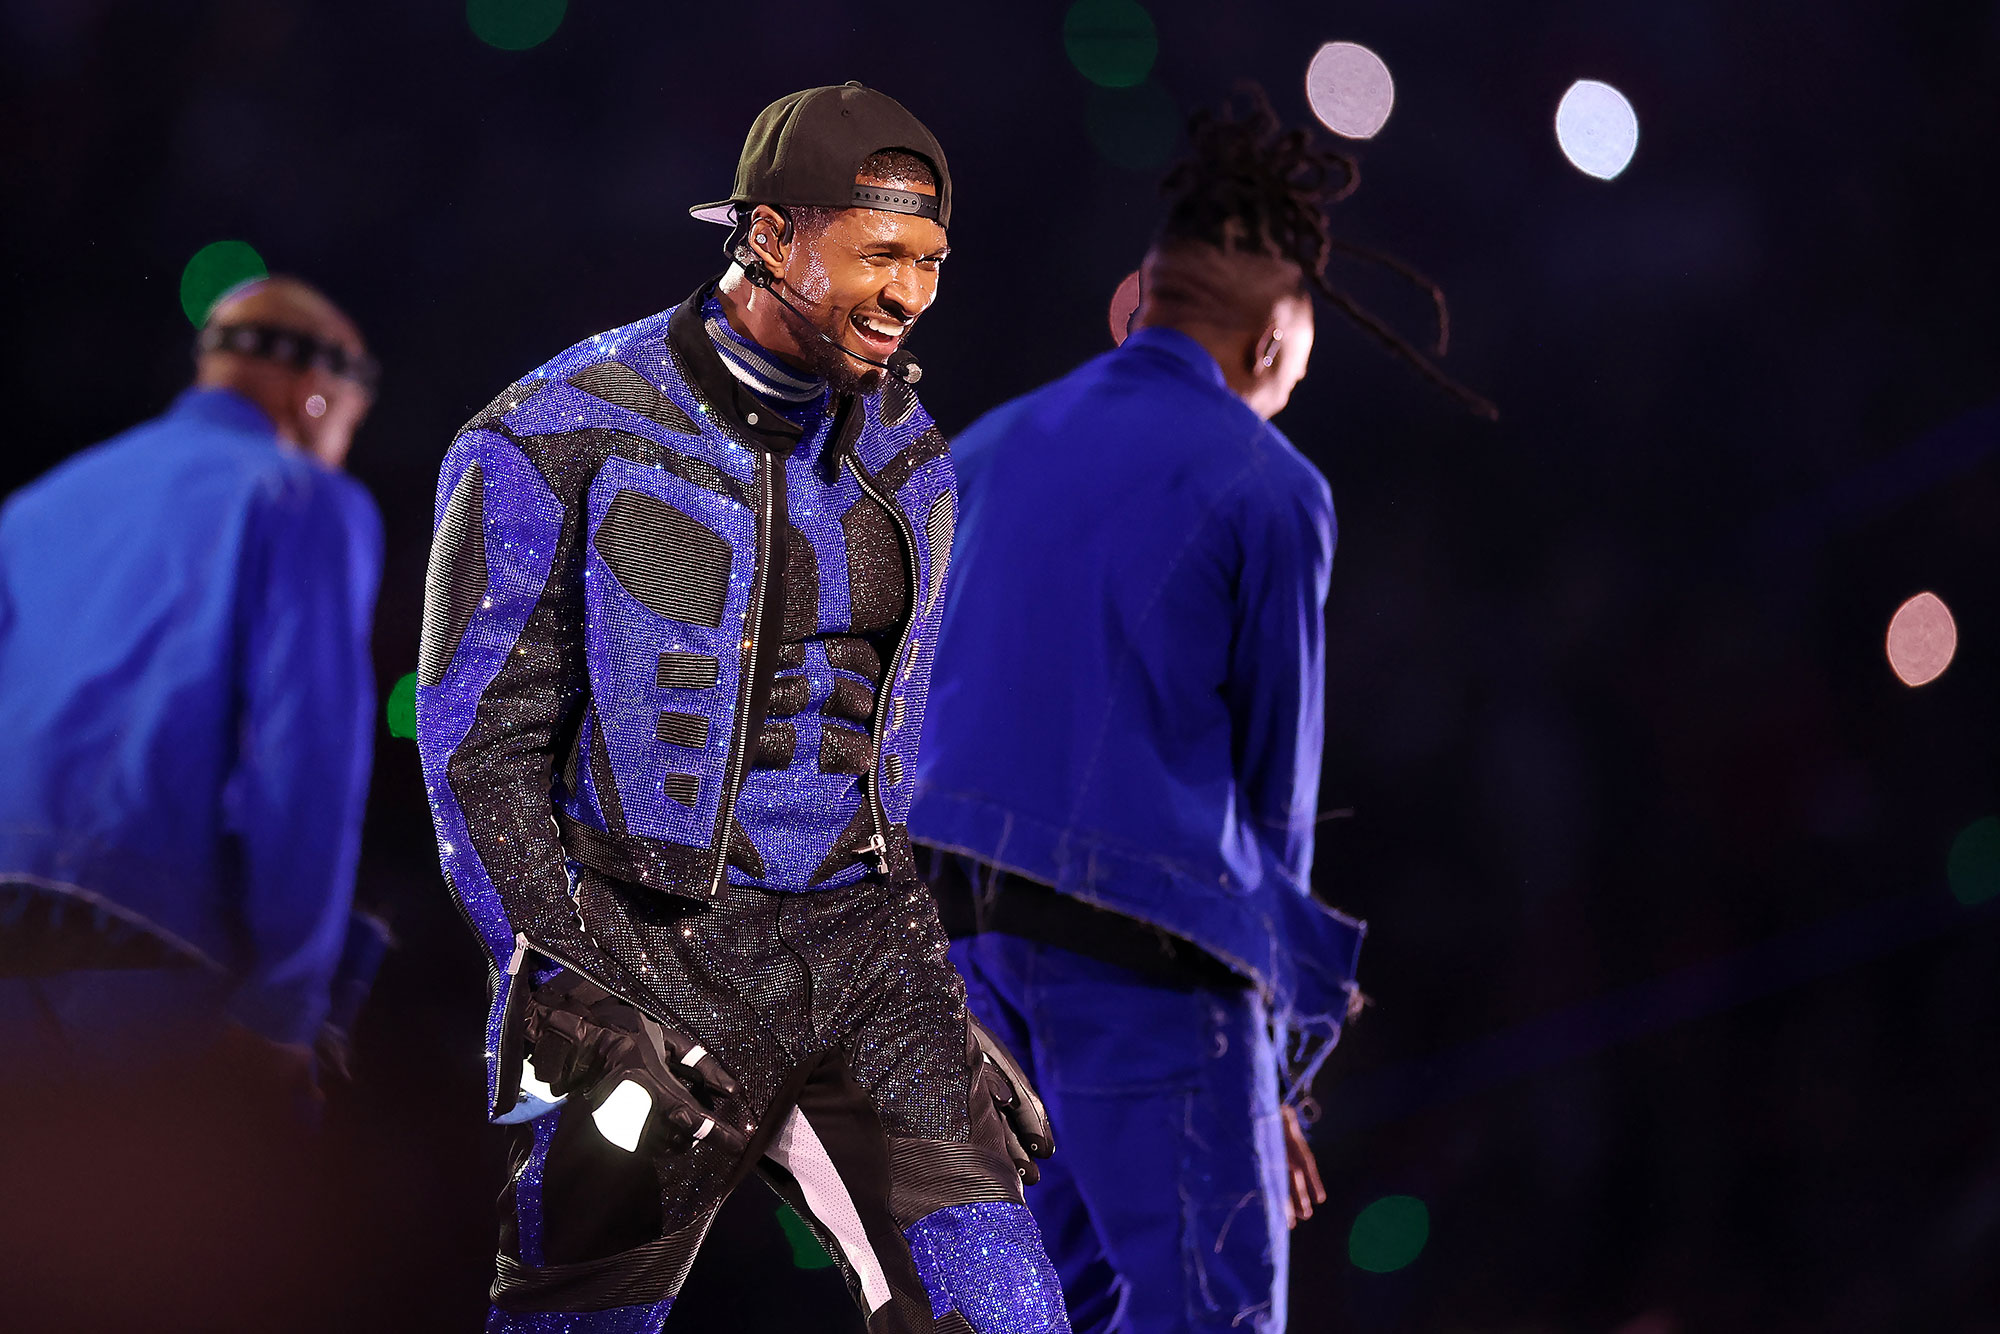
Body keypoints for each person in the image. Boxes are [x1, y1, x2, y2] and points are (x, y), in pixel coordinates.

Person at [414, 82, 1068, 1334]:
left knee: (1007, 1316)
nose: (911, 293)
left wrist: (929, 984)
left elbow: (882, 751)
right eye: (880, 254)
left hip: (869, 963)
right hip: (644, 954)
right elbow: (475, 757)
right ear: (768, 235)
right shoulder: (551, 436)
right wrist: (569, 980)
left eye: (930, 259)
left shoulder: (907, 449)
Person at [911, 91, 1492, 1333]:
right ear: (1277, 341)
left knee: (1030, 1310)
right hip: (1144, 948)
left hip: (954, 951)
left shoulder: (983, 449)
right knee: (1211, 1314)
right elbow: (1273, 796)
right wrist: (1271, 1068)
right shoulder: (1270, 486)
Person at [0, 274, 382, 1097]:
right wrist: (284, 1005)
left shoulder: (39, 505)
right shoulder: (302, 498)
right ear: (319, 393)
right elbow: (305, 757)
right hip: (150, 950)